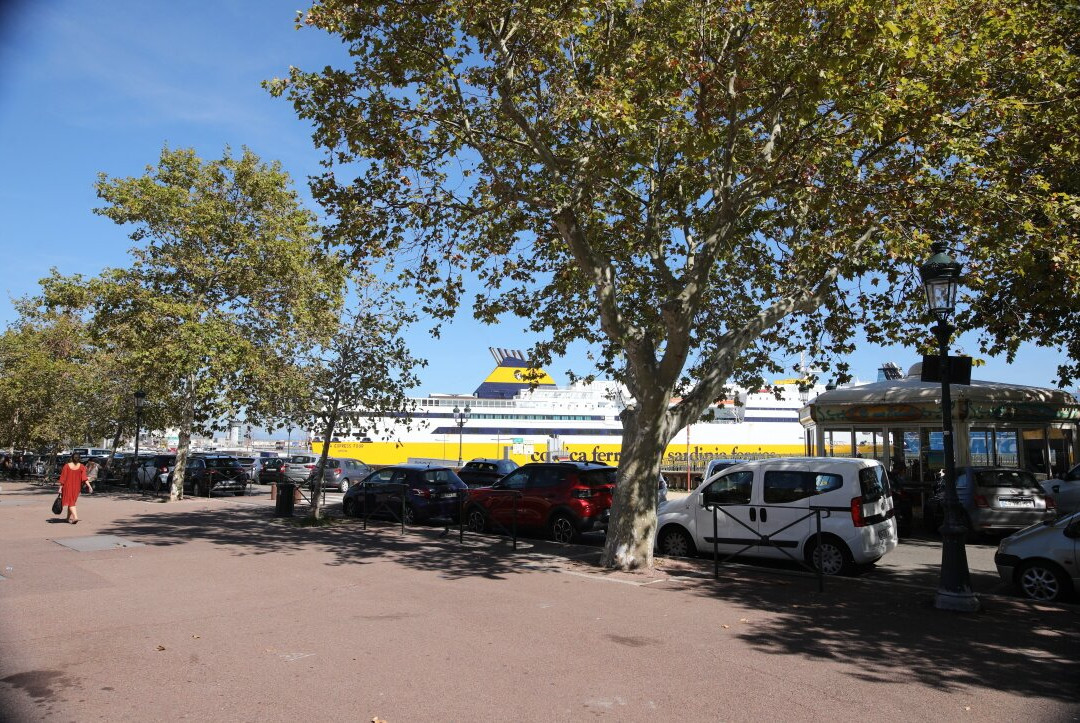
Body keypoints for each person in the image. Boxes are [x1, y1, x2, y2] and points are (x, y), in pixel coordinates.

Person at [57, 452, 90, 524]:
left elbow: (63, 478)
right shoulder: (82, 466)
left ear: (71, 458)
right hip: (77, 487)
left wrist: (60, 488)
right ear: (79, 458)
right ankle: (67, 518)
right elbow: (84, 478)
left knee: (71, 502)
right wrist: (89, 486)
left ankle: (75, 517)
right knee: (71, 502)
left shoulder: (66, 466)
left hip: (67, 486)